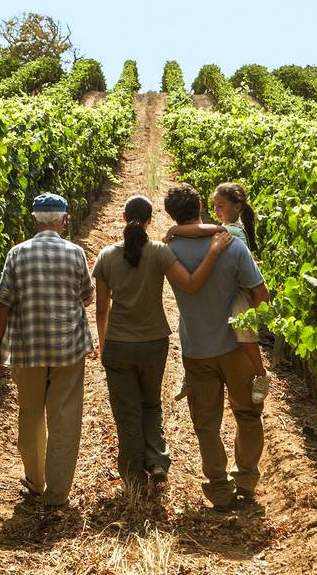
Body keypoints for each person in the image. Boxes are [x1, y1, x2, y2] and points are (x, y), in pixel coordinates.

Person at [92, 195, 233, 492]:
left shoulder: (106, 256)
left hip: (118, 343)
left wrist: (103, 346)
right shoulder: (158, 252)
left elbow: (102, 309)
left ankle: (132, 477)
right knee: (151, 403)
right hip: (153, 342)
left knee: (127, 411)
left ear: (123, 217)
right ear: (150, 220)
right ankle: (157, 461)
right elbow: (191, 283)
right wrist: (211, 252)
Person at [162, 183, 270, 512]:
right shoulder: (232, 245)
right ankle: (246, 481)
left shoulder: (166, 251)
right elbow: (261, 295)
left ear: (171, 215)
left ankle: (219, 488)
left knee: (206, 423)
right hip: (236, 348)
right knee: (248, 415)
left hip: (196, 349)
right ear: (201, 207)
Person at [0, 192, 93, 509]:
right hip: (67, 349)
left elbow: (2, 303)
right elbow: (87, 296)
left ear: (34, 220)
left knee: (31, 416)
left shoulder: (17, 254)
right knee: (65, 418)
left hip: (28, 348)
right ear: (63, 220)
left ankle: (35, 482)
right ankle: (58, 492)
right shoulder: (75, 253)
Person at [165, 182, 270, 404]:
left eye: (221, 206)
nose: (216, 212)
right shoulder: (228, 230)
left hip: (241, 292)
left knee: (245, 332)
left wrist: (174, 231)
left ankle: (261, 374)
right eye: (214, 206)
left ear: (237, 207)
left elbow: (201, 230)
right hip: (239, 287)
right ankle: (189, 376)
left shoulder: (229, 232)